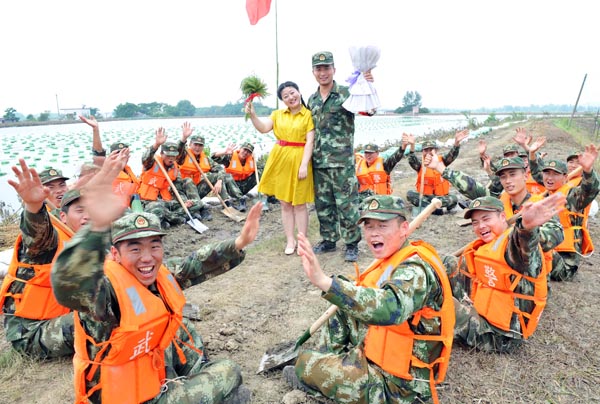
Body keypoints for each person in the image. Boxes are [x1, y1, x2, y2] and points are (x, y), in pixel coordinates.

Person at [51, 154, 260, 404]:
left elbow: (192, 264)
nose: (147, 258)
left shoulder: (156, 275)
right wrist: (95, 228)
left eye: (154, 246)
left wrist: (239, 243)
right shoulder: (105, 292)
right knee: (228, 371)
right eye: (135, 249)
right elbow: (70, 285)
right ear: (115, 254)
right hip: (120, 396)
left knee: (185, 334)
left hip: (149, 379)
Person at [284, 195, 454, 403]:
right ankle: (330, 359)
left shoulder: (415, 269)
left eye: (382, 226)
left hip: (401, 384)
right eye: (369, 226)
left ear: (403, 229)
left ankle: (318, 371)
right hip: (385, 352)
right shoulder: (393, 257)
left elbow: (390, 308)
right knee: (346, 294)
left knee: (305, 363)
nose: (373, 233)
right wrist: (341, 289)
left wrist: (326, 282)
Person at [444, 194, 565, 353]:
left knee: (439, 300)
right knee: (448, 263)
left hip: (498, 336)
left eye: (486, 219)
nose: (480, 226)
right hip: (484, 310)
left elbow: (525, 246)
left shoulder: (514, 247)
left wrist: (527, 228)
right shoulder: (491, 243)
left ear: (502, 217)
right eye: (475, 222)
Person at [0, 158, 94, 359]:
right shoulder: (48, 238)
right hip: (31, 330)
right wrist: (34, 206)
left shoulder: (79, 233)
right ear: (64, 216)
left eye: (62, 184)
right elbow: (37, 233)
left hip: (59, 314)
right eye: (50, 187)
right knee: (103, 316)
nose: (58, 190)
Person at [308, 51, 371, 262]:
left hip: (342, 162)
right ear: (313, 72)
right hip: (319, 163)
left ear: (334, 70)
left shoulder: (347, 93)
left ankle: (351, 243)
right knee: (323, 204)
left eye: (326, 68)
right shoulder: (312, 99)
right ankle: (328, 239)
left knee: (347, 204)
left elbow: (369, 109)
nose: (323, 72)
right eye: (319, 68)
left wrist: (368, 84)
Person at [246, 81, 315, 255]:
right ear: (283, 100)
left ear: (299, 92)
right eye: (286, 96)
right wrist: (253, 115)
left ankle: (302, 240)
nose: (291, 97)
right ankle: (290, 240)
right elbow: (263, 128)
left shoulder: (308, 115)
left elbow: (310, 142)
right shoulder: (277, 114)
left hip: (300, 159)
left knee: (299, 203)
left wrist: (304, 165)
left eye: (293, 93)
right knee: (285, 203)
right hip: (281, 160)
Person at [527, 145, 599, 280]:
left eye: (555, 174)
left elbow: (589, 190)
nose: (550, 177)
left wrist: (588, 171)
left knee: (530, 245)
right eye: (547, 173)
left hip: (564, 264)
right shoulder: (543, 197)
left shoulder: (572, 197)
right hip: (546, 252)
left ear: (565, 177)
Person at [139, 127, 211, 227]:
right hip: (149, 202)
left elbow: (178, 188)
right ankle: (177, 218)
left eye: (173, 156)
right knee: (157, 208)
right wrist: (157, 144)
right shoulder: (151, 163)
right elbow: (145, 158)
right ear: (161, 153)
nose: (171, 158)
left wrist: (185, 202)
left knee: (197, 203)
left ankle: (169, 218)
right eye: (168, 155)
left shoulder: (175, 168)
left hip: (167, 201)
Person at [176, 122, 247, 212]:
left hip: (197, 190)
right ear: (190, 144)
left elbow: (220, 168)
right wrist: (184, 138)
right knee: (188, 181)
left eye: (200, 145)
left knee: (223, 176)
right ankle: (200, 208)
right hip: (184, 191)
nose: (197, 148)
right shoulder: (183, 155)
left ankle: (227, 202)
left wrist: (219, 181)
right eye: (195, 144)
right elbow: (178, 149)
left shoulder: (205, 158)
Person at [80, 115, 141, 206]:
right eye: (117, 153)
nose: (121, 156)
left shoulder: (129, 172)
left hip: (133, 206)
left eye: (124, 153)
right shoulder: (105, 170)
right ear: (111, 155)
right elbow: (98, 154)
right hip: (113, 212)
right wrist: (95, 130)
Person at [405, 129, 469, 214]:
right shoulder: (420, 165)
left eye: (431, 149)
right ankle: (435, 210)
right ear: (422, 152)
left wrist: (456, 143)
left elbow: (452, 155)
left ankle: (431, 208)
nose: (428, 152)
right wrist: (412, 145)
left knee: (453, 198)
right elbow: (411, 159)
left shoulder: (442, 161)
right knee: (410, 194)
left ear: (436, 150)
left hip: (441, 198)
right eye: (426, 150)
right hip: (426, 197)